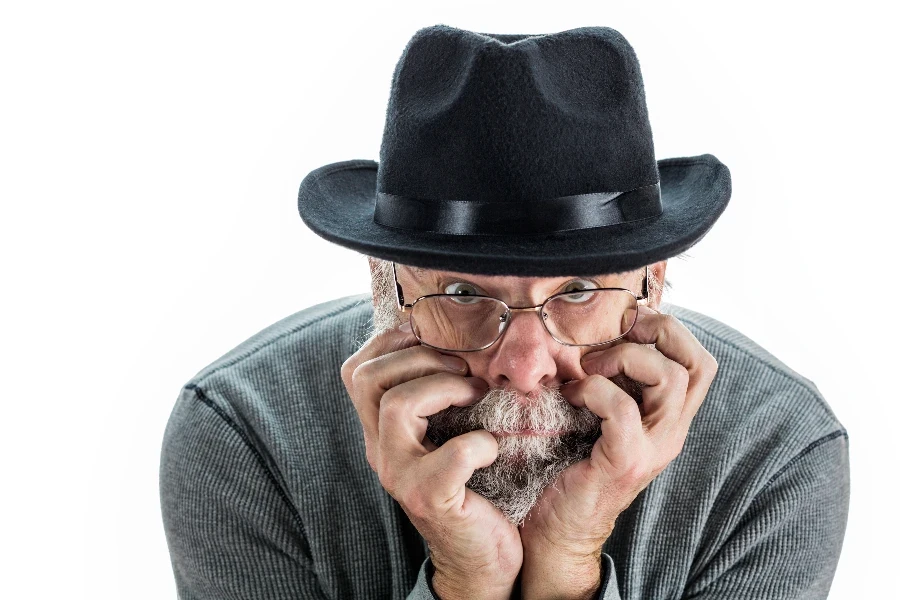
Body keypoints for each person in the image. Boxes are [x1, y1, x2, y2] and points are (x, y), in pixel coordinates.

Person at [160, 24, 850, 599]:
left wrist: (570, 562)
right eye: (464, 295)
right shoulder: (244, 432)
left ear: (653, 284)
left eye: (577, 291)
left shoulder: (777, 450)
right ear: (386, 285)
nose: (523, 369)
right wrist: (465, 579)